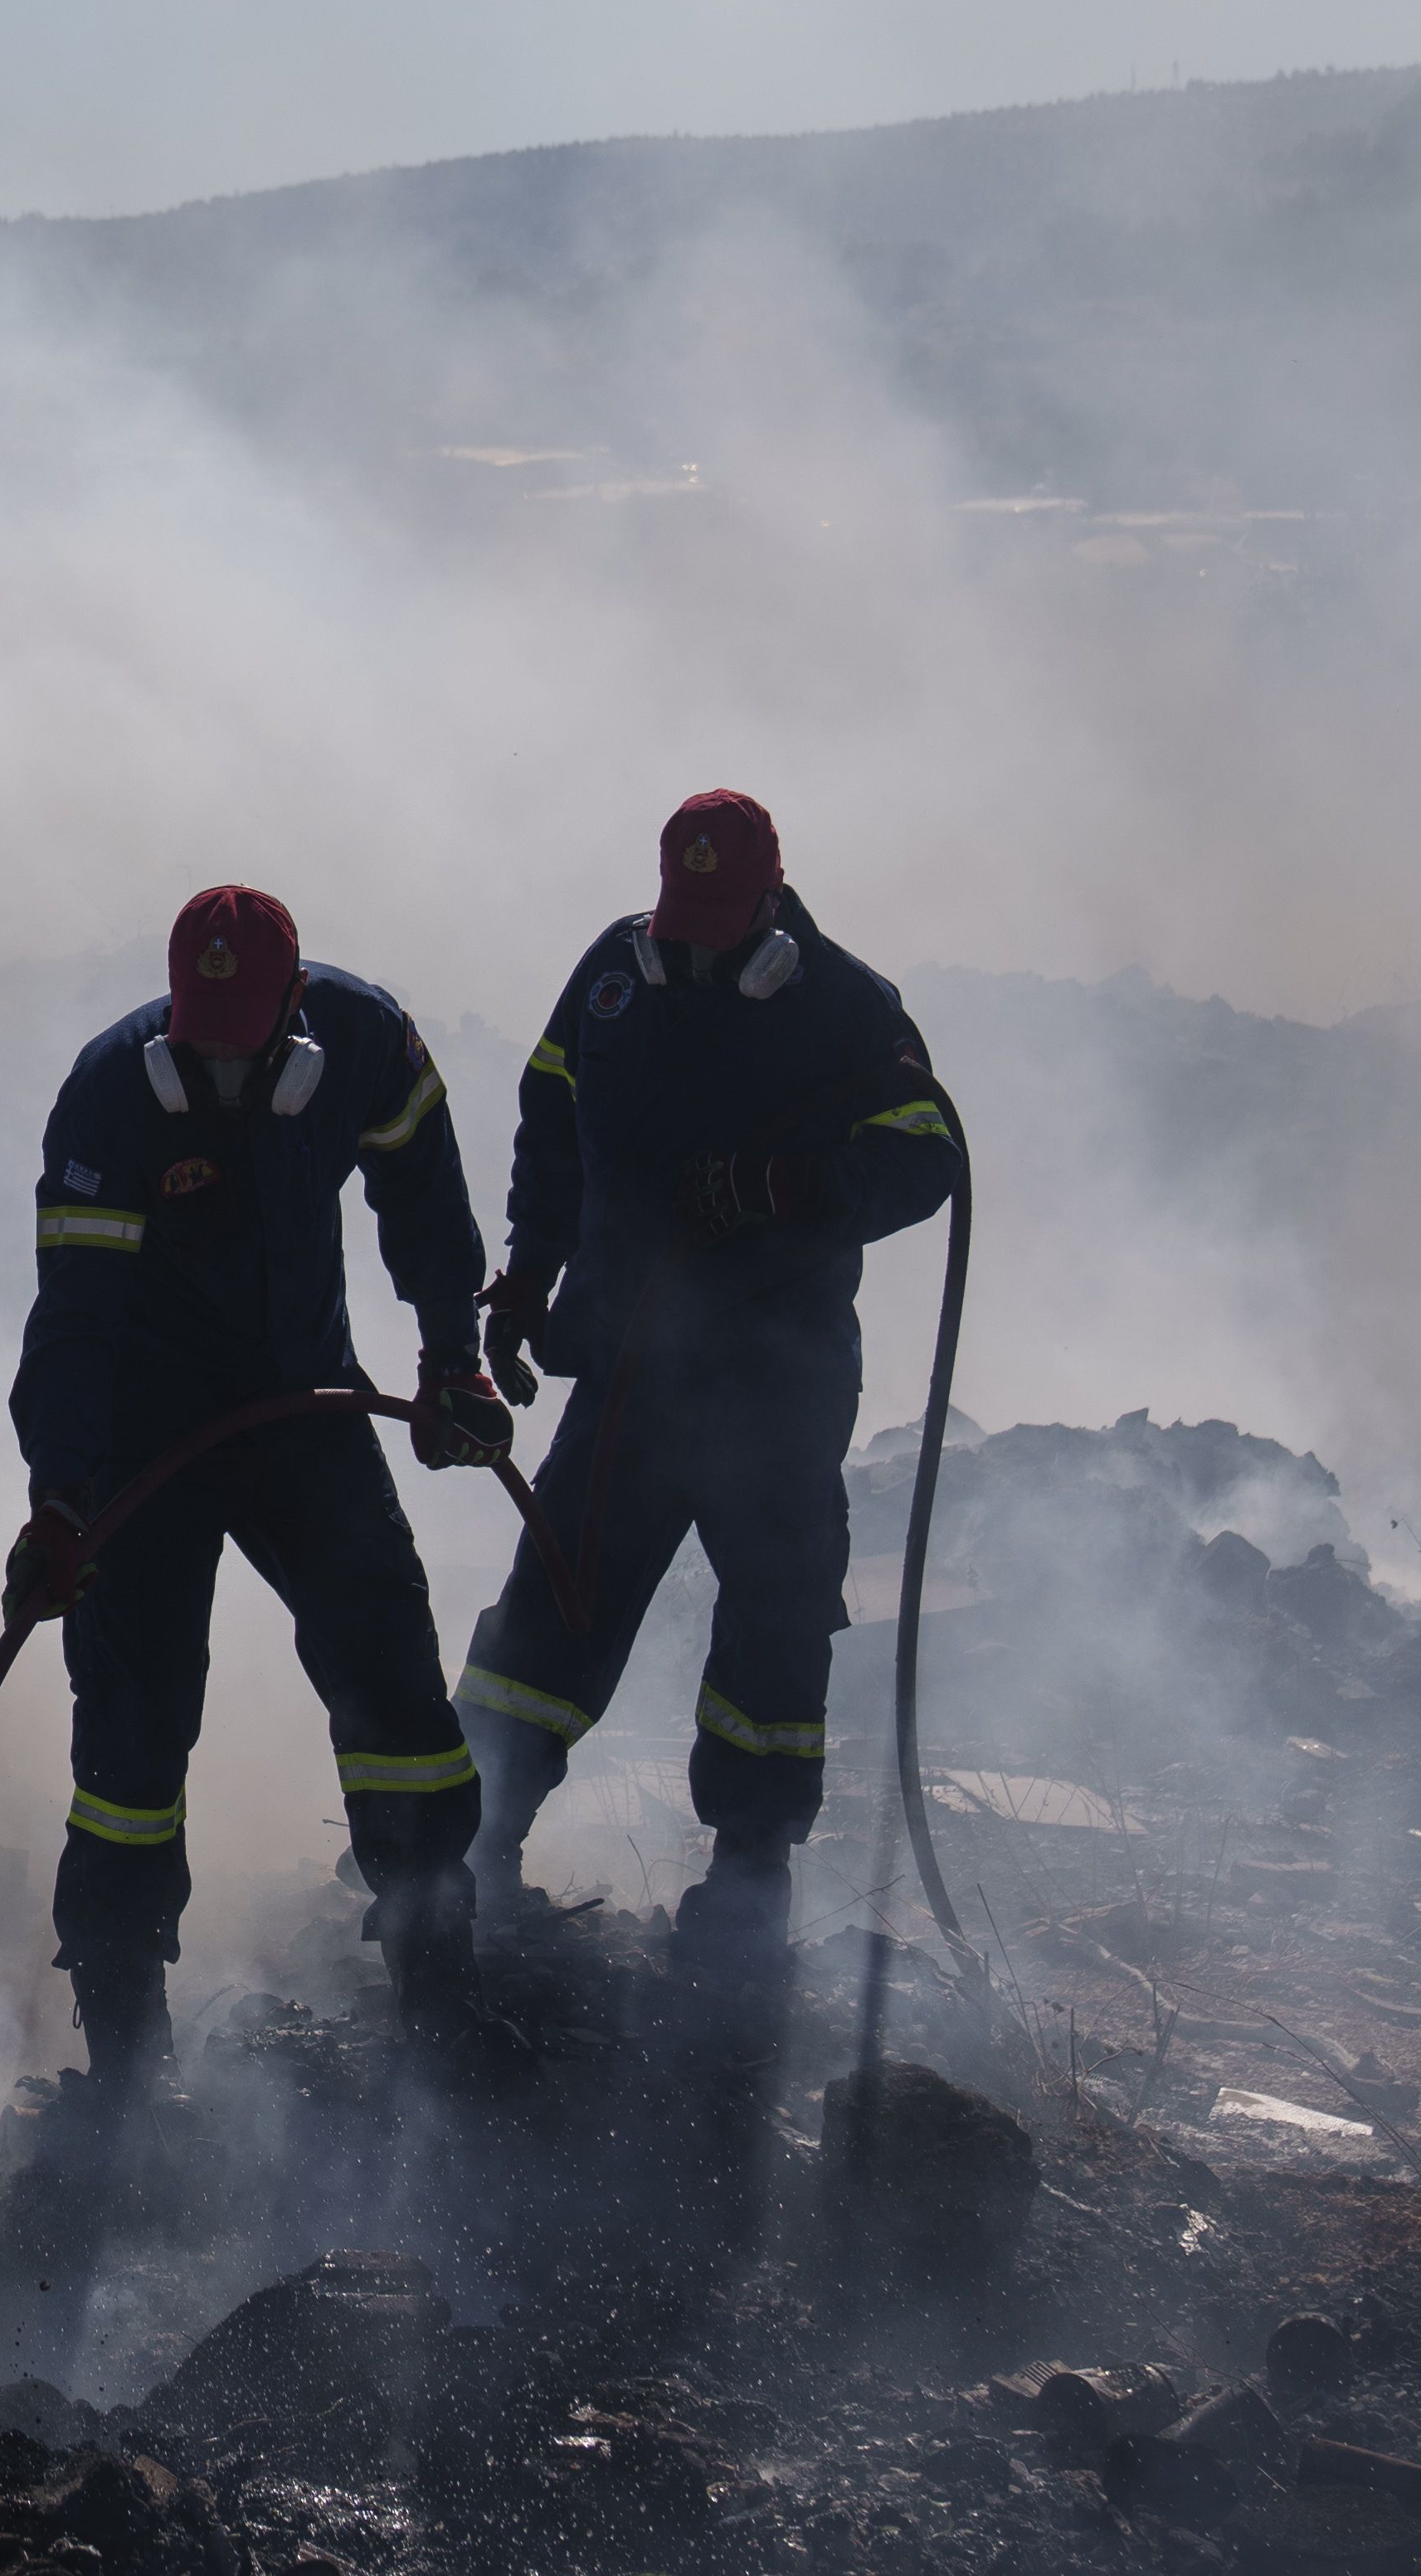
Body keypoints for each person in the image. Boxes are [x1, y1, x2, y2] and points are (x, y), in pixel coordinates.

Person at [456, 787, 967, 1979]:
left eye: (718, 923)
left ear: (769, 905)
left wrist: (792, 1189)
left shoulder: (847, 1005)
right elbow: (549, 1118)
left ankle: (749, 1879)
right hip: (633, 1360)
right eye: (680, 918)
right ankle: (465, 1841)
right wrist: (530, 1273)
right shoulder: (612, 982)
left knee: (778, 1626)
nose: (692, 944)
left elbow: (925, 1157)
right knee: (558, 1598)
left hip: (775, 1376)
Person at [9, 882, 508, 2086]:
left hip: (304, 1408)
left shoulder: (369, 1045)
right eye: (202, 1048)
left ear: (294, 1007)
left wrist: (451, 1361)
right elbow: (73, 1324)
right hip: (146, 1437)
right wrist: (61, 1503)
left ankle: (437, 1979)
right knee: (132, 1724)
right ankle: (124, 2035)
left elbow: (427, 1204)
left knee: (391, 1674)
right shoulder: (111, 1096)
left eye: (247, 1047)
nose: (224, 1074)